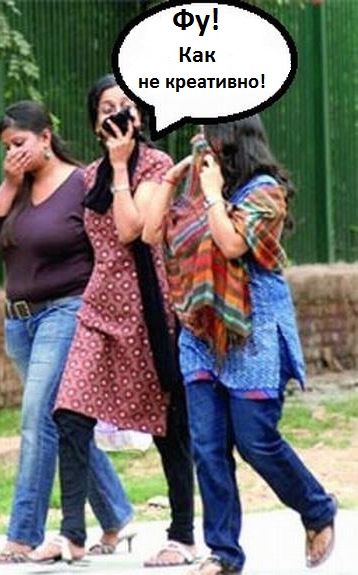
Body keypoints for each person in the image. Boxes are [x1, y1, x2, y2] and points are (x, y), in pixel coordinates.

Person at [142, 116, 337, 575]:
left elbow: (231, 245)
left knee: (255, 441)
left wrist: (212, 195)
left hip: (253, 333)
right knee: (208, 448)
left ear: (233, 140)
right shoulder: (196, 192)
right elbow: (151, 233)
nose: (201, 143)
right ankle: (224, 553)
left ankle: (316, 509)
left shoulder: (266, 193)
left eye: (208, 134)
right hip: (199, 331)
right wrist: (172, 179)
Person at [28, 75, 196, 566]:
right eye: (106, 108)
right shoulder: (87, 177)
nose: (117, 114)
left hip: (147, 310)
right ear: (95, 122)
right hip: (99, 307)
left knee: (168, 424)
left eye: (125, 105)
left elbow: (131, 229)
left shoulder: (157, 165)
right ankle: (73, 533)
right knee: (69, 412)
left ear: (140, 116)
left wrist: (121, 166)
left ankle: (183, 535)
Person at [0, 100, 134, 564]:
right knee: (62, 422)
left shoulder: (81, 182)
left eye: (20, 143)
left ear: (45, 137)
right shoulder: (17, 188)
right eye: (6, 147)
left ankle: (22, 535)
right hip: (19, 321)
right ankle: (117, 514)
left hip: (65, 312)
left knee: (37, 417)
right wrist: (9, 183)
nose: (13, 153)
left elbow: (111, 248)